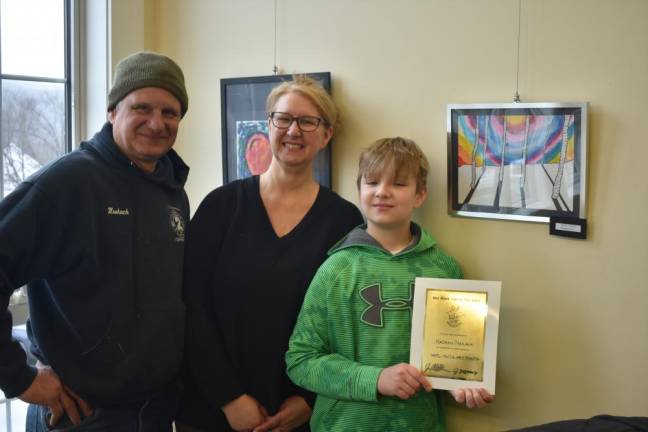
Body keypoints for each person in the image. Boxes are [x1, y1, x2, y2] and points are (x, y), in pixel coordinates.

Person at [0, 51, 190, 431]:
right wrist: (18, 378)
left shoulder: (171, 189)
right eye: (142, 108)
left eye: (170, 112)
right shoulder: (67, 184)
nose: (156, 123)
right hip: (81, 415)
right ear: (112, 111)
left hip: (153, 412)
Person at [176, 76, 363, 432]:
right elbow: (191, 307)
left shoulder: (344, 221)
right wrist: (229, 398)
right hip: (211, 410)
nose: (294, 130)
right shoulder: (221, 207)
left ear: (326, 135)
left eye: (308, 121)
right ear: (268, 125)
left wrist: (309, 400)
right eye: (284, 118)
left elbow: (345, 325)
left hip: (296, 415)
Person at [285, 137, 494, 432]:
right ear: (359, 190)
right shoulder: (335, 270)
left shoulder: (443, 269)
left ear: (420, 195)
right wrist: (376, 379)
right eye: (371, 182)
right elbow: (301, 361)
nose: (382, 192)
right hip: (344, 425)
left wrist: (460, 385)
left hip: (418, 425)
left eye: (398, 183)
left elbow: (452, 358)